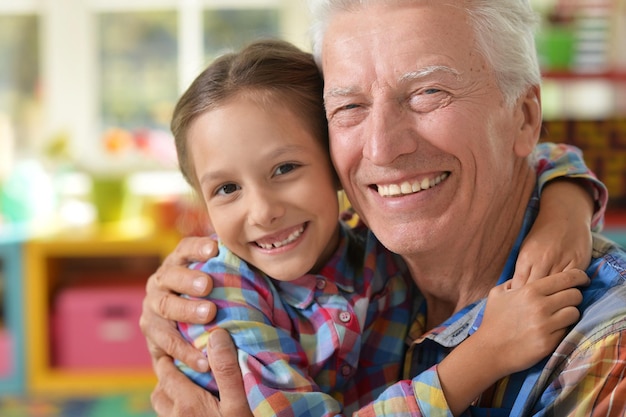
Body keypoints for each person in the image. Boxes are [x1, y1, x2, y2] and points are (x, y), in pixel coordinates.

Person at [140, 1, 626, 415]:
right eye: (349, 107)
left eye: (428, 92)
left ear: (524, 117)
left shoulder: (605, 349)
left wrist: (568, 204)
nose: (381, 148)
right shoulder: (360, 248)